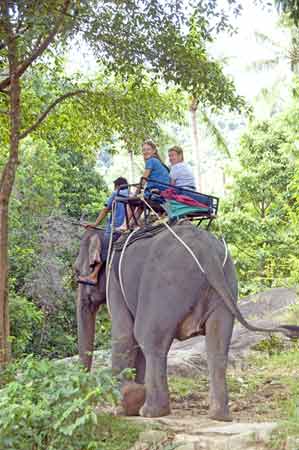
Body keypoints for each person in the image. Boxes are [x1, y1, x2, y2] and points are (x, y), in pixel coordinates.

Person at [78, 177, 128, 286]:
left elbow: (106, 209)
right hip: (128, 229)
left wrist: (95, 224)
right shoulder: (132, 194)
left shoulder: (116, 193)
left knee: (103, 251)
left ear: (117, 186)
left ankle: (93, 275)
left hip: (114, 229)